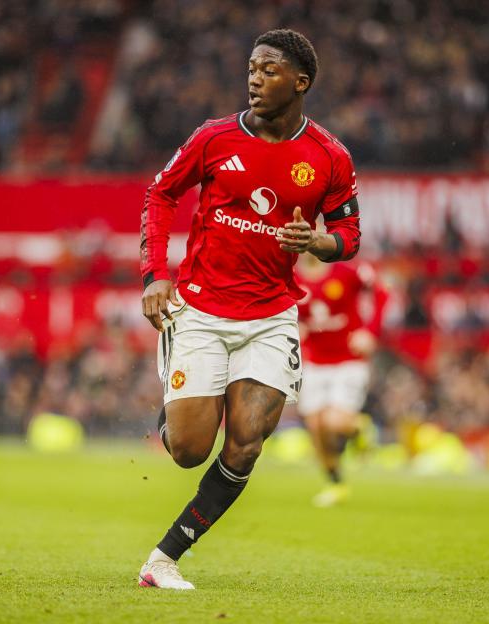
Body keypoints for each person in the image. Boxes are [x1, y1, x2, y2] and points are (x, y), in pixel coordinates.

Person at [137, 29, 361, 590]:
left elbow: (349, 235)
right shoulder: (214, 138)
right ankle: (177, 414)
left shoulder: (329, 156)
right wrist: (154, 276)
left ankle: (163, 558)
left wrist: (316, 244)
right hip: (201, 311)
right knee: (190, 451)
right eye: (251, 69)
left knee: (246, 443)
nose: (254, 79)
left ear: (300, 82)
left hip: (270, 316)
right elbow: (160, 194)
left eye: (268, 70)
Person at [295, 252, 385, 507]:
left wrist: (370, 331)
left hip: (349, 361)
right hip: (314, 361)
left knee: (334, 422)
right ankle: (335, 483)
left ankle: (361, 428)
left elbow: (382, 291)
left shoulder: (347, 272)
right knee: (315, 426)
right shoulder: (291, 277)